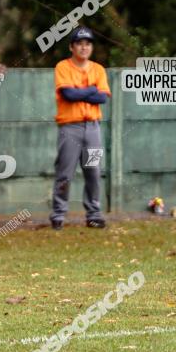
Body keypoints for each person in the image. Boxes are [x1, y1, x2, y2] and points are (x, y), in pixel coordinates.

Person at [50, 26, 110, 230]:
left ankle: (94, 214)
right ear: (72, 47)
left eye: (88, 43)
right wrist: (91, 90)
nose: (84, 47)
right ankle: (58, 215)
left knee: (93, 171)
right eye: (80, 43)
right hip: (70, 128)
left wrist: (83, 92)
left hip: (92, 129)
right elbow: (68, 95)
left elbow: (102, 97)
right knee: (65, 173)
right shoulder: (63, 67)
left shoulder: (98, 69)